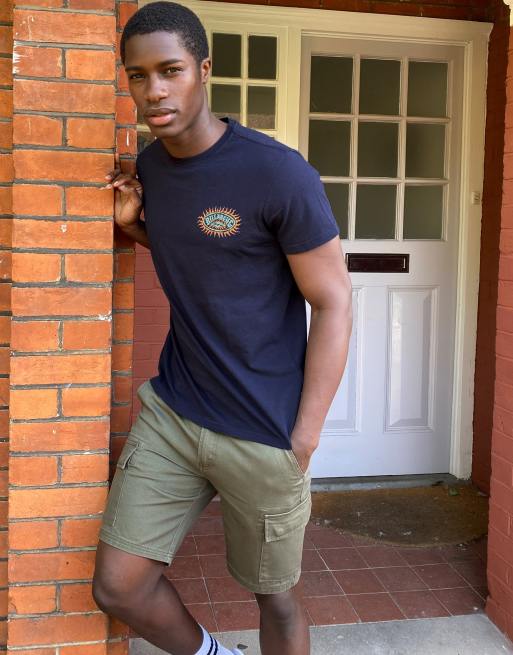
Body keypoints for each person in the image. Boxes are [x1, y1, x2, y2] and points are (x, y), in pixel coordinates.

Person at [92, 2, 353, 654]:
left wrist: (304, 435)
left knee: (276, 599)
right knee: (119, 586)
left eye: (170, 70)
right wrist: (134, 226)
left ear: (204, 69)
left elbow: (334, 301)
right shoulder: (153, 168)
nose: (154, 91)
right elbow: (201, 251)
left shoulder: (277, 173)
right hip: (175, 414)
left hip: (263, 429)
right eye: (137, 75)